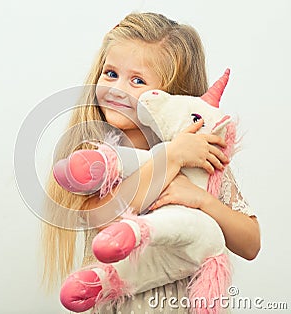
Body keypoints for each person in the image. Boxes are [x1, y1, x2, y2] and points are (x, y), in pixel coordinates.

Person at [41, 12, 260, 313]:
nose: (117, 89)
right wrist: (170, 157)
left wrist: (200, 199)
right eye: (111, 74)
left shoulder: (199, 155)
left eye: (138, 80)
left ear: (170, 95)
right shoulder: (96, 160)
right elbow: (104, 218)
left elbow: (250, 244)